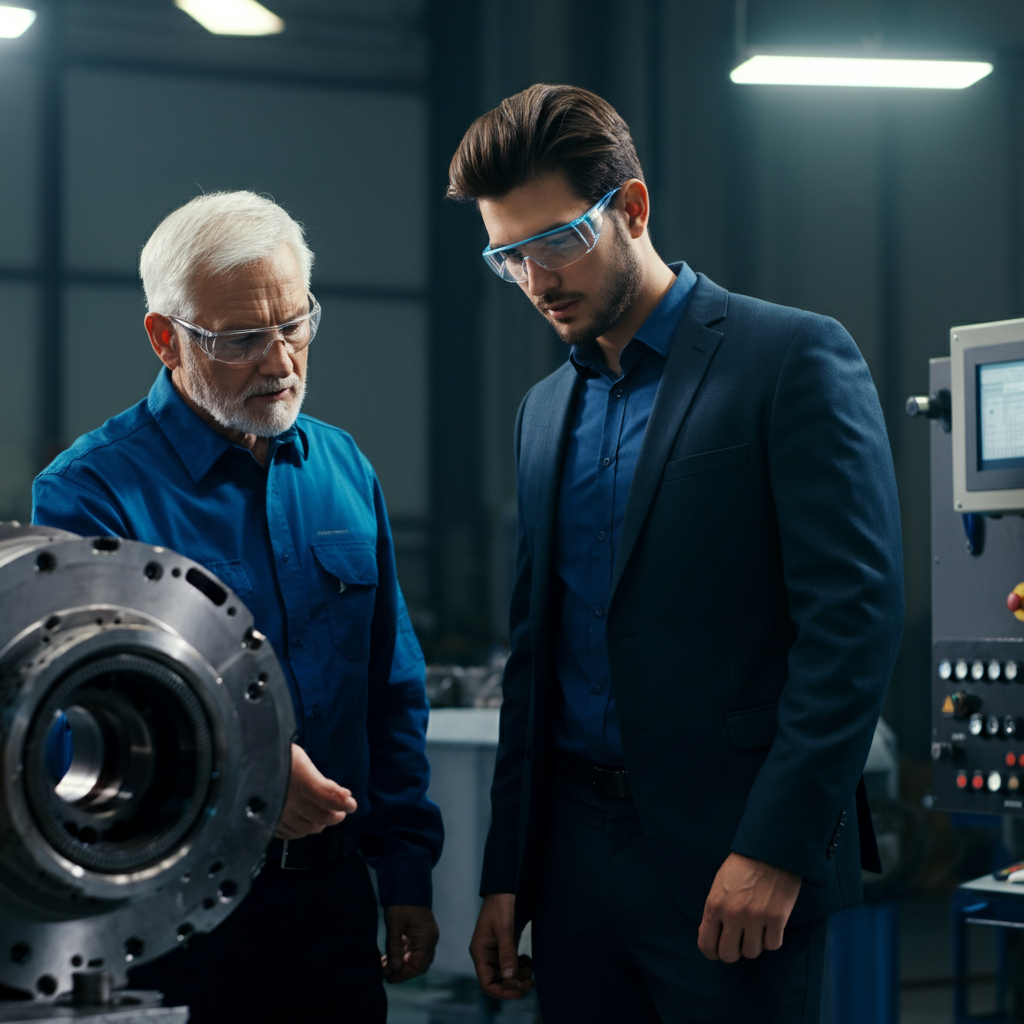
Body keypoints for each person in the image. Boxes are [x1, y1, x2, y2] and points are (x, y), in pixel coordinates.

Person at [453, 85, 903, 1023]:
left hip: (734, 861)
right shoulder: (542, 416)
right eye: (509, 257)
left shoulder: (791, 360)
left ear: (632, 209)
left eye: (556, 242)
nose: (536, 280)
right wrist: (508, 871)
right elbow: (534, 660)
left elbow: (852, 623)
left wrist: (776, 847)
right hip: (572, 863)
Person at [32, 191, 443, 1023]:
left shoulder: (342, 468)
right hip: (171, 920)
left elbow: (390, 688)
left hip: (332, 905)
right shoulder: (90, 493)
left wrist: (405, 873)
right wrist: (242, 771)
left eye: (295, 325)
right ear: (165, 339)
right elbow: (78, 720)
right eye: (242, 339)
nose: (281, 361)